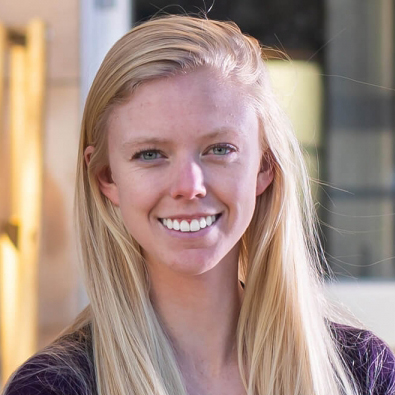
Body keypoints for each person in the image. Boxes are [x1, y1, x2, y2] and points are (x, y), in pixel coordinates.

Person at [3, 14, 395, 395]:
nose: (189, 186)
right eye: (151, 154)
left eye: (219, 149)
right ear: (106, 178)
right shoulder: (52, 388)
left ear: (264, 167)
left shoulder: (361, 371)